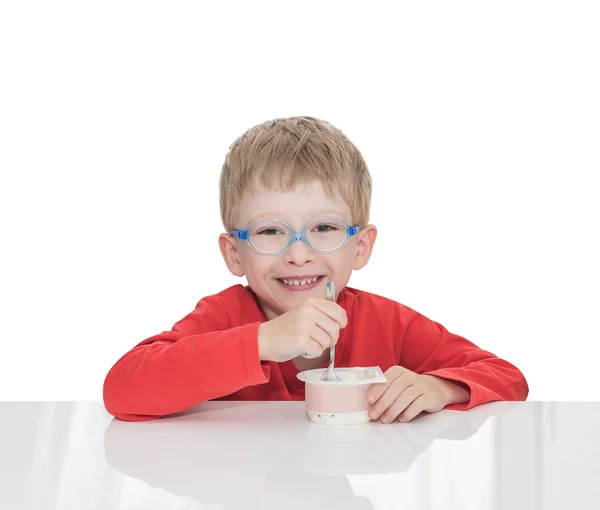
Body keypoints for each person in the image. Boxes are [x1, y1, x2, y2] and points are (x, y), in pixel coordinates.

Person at [103, 116, 528, 422]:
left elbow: (506, 377)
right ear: (234, 254)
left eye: (323, 228)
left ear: (361, 247)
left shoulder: (387, 322)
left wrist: (439, 388)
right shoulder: (224, 317)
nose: (299, 254)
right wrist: (262, 342)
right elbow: (123, 389)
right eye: (270, 231)